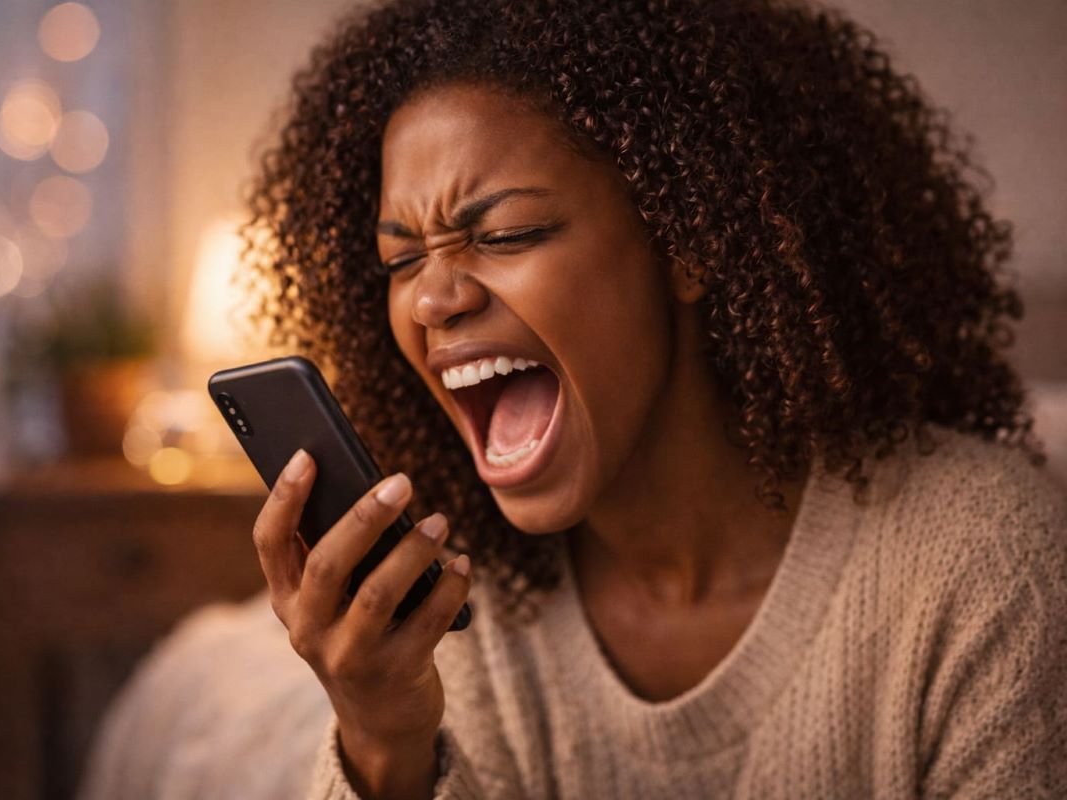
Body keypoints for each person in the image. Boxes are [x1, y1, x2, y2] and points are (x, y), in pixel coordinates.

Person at [82, 0, 1067, 797]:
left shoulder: (981, 563)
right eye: (400, 258)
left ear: (688, 240)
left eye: (504, 235)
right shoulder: (473, 614)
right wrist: (382, 742)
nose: (435, 296)